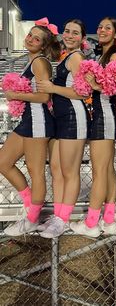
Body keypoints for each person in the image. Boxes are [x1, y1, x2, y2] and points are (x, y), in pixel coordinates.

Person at [1, 19, 61, 236]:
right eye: (30, 35)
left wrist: (15, 94)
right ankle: (30, 208)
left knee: (36, 172)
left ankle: (32, 218)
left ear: (44, 45)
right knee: (3, 162)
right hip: (27, 121)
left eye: (37, 38)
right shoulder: (31, 61)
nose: (30, 39)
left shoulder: (40, 62)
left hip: (39, 122)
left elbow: (45, 96)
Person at [36, 19, 91, 238]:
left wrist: (52, 88)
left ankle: (64, 219)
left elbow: (83, 92)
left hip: (72, 117)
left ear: (82, 39)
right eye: (67, 31)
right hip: (60, 118)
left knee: (69, 171)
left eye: (75, 33)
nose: (69, 35)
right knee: (57, 169)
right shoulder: (65, 57)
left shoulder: (76, 57)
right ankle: (58, 215)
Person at [70, 17, 116, 237]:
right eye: (99, 26)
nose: (101, 30)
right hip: (102, 114)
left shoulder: (114, 56)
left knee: (99, 171)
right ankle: (108, 220)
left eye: (108, 28)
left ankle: (91, 223)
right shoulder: (103, 55)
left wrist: (93, 85)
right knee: (107, 171)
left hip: (105, 116)